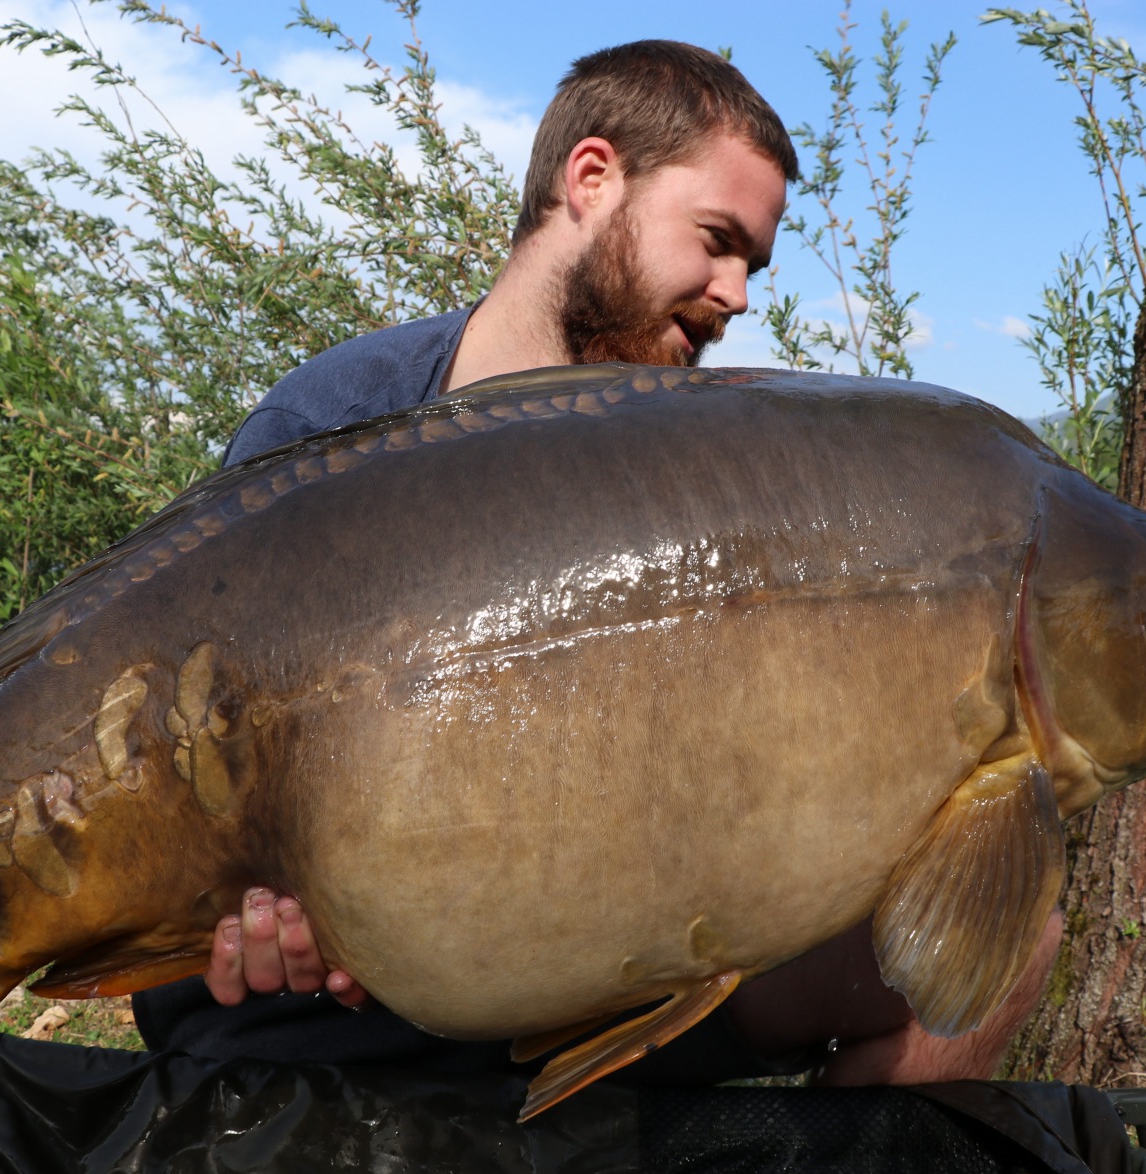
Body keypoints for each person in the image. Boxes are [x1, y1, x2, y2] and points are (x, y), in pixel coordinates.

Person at [133, 39, 1063, 1089]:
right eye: (717, 241)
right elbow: (191, 745)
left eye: (753, 265)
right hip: (334, 997)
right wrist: (254, 902)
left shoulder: (708, 459)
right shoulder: (335, 428)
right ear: (591, 179)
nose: (737, 295)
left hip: (608, 959)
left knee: (1004, 945)